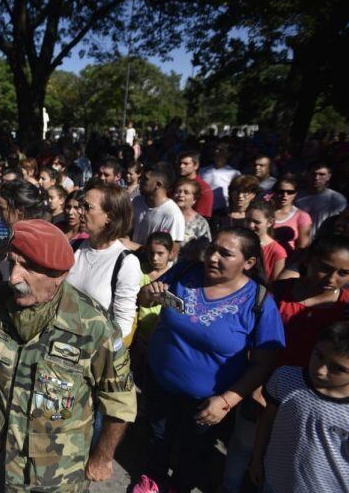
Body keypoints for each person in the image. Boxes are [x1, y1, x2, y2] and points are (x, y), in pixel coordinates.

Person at [0, 219, 137, 492]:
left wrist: (103, 457)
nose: (14, 277)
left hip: (60, 473)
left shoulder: (94, 326)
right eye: (13, 263)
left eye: (28, 267)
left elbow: (120, 400)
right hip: (7, 456)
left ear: (58, 275)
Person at [136, 227, 285, 492]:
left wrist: (228, 401)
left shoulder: (260, 303)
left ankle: (178, 486)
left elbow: (263, 362)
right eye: (213, 248)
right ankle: (153, 478)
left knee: (194, 452)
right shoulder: (185, 272)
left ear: (249, 263)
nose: (213, 257)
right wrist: (148, 295)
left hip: (209, 401)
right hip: (160, 382)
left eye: (225, 254)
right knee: (156, 436)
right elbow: (146, 299)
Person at [250, 320, 349, 493]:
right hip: (275, 481)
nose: (321, 370)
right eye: (319, 355)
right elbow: (267, 420)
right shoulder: (285, 378)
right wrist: (256, 458)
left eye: (338, 368)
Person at [67, 181, 141, 343]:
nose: (80, 212)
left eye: (87, 207)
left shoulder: (126, 263)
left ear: (110, 217)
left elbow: (123, 325)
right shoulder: (75, 247)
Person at [274, 235, 349, 368]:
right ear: (307, 260)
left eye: (344, 273)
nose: (331, 279)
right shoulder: (276, 292)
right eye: (325, 269)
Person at [134, 232, 175, 381]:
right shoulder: (138, 271)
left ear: (171, 253)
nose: (155, 258)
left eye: (160, 253)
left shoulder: (175, 276)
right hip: (139, 335)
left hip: (161, 338)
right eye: (151, 253)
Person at [132, 163, 185, 257]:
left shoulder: (172, 215)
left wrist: (134, 247)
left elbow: (171, 255)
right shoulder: (137, 201)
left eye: (145, 179)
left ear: (158, 184)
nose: (140, 181)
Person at [295, 161, 348, 239]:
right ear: (307, 175)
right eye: (313, 174)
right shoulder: (296, 196)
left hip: (322, 241)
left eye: (321, 174)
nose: (316, 178)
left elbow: (336, 225)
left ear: (329, 176)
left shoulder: (337, 199)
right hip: (296, 239)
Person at [246, 200, 287, 281]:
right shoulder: (240, 242)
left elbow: (276, 284)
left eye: (257, 222)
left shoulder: (277, 251)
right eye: (248, 220)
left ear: (270, 222)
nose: (251, 225)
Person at [173, 178, 211, 261]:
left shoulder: (200, 223)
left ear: (194, 199)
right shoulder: (166, 215)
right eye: (178, 191)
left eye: (186, 192)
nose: (181, 195)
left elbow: (204, 252)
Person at [272, 174, 312, 253]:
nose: (284, 195)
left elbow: (302, 246)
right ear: (274, 192)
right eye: (281, 191)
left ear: (295, 194)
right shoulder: (264, 212)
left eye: (290, 192)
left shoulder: (302, 216)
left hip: (289, 259)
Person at [200, 145, 239, 213]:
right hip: (204, 208)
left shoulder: (234, 173)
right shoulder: (202, 171)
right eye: (216, 149)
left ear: (229, 154)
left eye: (222, 150)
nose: (218, 152)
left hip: (223, 210)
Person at [177, 150, 214, 218]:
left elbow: (201, 218)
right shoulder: (175, 185)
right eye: (180, 163)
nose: (181, 166)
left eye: (186, 163)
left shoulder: (203, 189)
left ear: (196, 166)